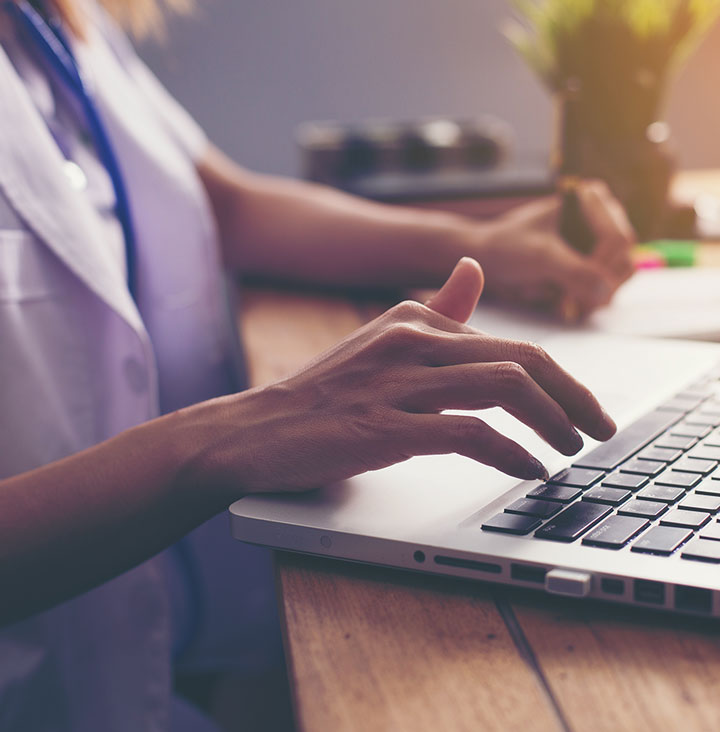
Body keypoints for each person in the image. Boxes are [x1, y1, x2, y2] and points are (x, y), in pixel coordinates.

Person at [0, 0, 635, 730]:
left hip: (174, 661)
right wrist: (235, 436)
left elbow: (220, 204)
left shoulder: (52, 19)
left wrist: (478, 244)